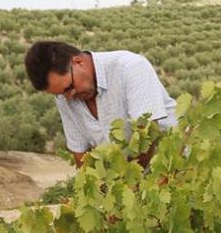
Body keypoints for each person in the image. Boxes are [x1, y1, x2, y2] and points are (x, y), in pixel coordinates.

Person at [24, 41, 177, 168]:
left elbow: (147, 133)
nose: (69, 97)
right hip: (130, 183)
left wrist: (129, 183)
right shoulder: (65, 97)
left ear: (78, 62)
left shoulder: (130, 67)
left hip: (176, 168)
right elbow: (80, 153)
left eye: (69, 88)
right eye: (60, 94)